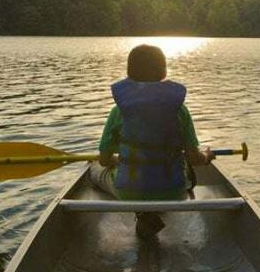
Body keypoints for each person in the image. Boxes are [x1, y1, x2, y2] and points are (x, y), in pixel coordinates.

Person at [90, 44, 213, 238]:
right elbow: (194, 158)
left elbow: (104, 160)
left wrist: (116, 160)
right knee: (180, 172)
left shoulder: (119, 111)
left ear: (128, 74)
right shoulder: (180, 110)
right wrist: (206, 156)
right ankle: (152, 209)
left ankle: (143, 211)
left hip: (130, 191)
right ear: (164, 73)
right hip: (173, 191)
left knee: (95, 168)